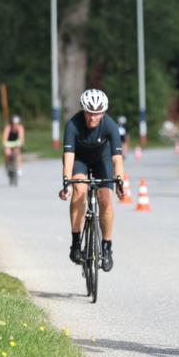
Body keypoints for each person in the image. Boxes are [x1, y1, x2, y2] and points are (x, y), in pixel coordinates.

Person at [58, 88, 125, 272]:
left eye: (97, 113)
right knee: (79, 191)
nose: (93, 117)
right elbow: (69, 157)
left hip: (101, 160)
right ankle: (76, 242)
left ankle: (107, 247)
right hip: (79, 160)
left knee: (106, 200)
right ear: (83, 110)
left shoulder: (110, 125)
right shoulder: (73, 124)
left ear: (103, 112)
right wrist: (66, 182)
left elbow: (117, 158)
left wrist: (120, 181)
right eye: (89, 112)